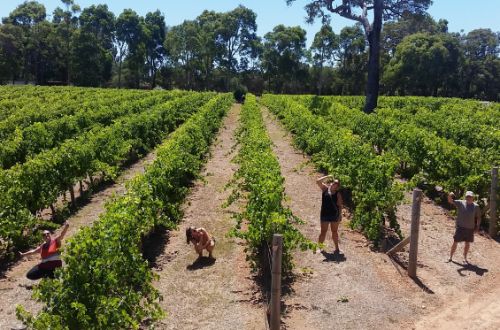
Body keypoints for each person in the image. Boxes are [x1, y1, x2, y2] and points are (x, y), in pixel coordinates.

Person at [447, 191, 481, 263]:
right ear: (465, 197)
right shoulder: (460, 203)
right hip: (460, 227)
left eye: (470, 197)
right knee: (455, 242)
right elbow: (450, 201)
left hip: (470, 228)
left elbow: (478, 217)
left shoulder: (476, 206)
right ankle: (450, 257)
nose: (468, 198)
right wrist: (450, 195)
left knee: (467, 243)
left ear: (473, 198)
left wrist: (477, 227)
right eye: (467, 196)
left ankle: (465, 258)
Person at [316, 175, 343, 254]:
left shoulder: (338, 194)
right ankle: (320, 248)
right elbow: (318, 181)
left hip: (334, 215)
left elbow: (340, 205)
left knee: (334, 231)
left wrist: (340, 215)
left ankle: (337, 248)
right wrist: (327, 176)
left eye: (336, 184)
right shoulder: (325, 189)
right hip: (324, 214)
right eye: (334, 182)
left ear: (337, 186)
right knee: (323, 232)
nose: (334, 184)